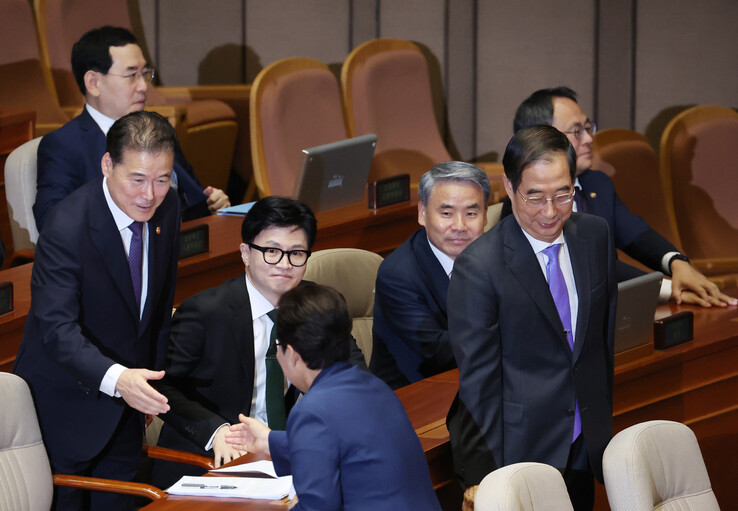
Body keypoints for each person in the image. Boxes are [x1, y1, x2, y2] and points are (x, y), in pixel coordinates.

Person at [13, 111, 181, 511]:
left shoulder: (168, 207)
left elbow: (157, 307)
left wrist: (147, 386)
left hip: (124, 409)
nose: (149, 195)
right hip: (64, 409)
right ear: (108, 165)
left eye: (161, 179)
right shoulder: (66, 225)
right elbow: (57, 330)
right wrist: (119, 379)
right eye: (137, 179)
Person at [447, 125, 617, 511]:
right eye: (535, 197)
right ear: (509, 188)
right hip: (522, 451)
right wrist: (481, 477)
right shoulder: (480, 266)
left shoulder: (594, 235)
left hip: (583, 442)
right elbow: (478, 383)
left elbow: (601, 343)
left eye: (563, 194)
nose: (551, 211)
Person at [151, 196, 367, 488]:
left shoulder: (317, 304)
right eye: (271, 251)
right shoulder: (205, 312)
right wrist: (216, 432)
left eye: (296, 253)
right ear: (245, 253)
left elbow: (354, 375)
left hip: (285, 453)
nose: (284, 264)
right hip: (212, 459)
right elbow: (160, 384)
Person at [512, 86, 737, 308]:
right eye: (577, 130)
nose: (590, 138)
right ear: (540, 138)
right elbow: (589, 268)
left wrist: (677, 263)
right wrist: (666, 288)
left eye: (589, 127)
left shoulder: (596, 183)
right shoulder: (523, 205)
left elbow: (636, 234)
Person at [225, 283, 442, 511]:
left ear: (294, 355)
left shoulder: (312, 410)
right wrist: (268, 441)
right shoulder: (373, 386)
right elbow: (341, 443)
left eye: (278, 348)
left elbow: (317, 507)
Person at [34, 25, 229, 230]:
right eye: (131, 75)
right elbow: (51, 221)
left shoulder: (155, 130)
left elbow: (188, 195)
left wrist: (212, 201)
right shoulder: (64, 145)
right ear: (93, 83)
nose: (144, 86)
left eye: (144, 74)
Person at [371, 161, 489, 389]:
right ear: (422, 214)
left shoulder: (497, 256)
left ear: (485, 217)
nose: (460, 226)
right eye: (447, 213)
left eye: (471, 213)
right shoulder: (398, 275)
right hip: (416, 398)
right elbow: (438, 352)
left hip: (480, 386)